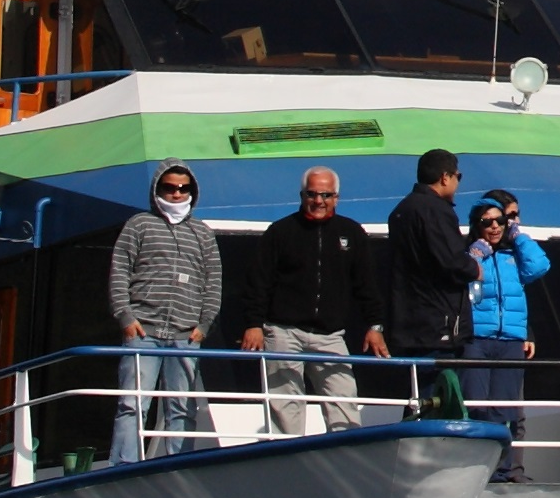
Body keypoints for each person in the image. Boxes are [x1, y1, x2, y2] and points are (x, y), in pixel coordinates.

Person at [238, 167, 387, 435]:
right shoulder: (280, 231)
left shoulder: (352, 233)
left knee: (344, 400)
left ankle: (342, 456)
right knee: (286, 407)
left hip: (330, 336)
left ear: (336, 198)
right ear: (302, 195)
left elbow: (367, 285)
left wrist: (375, 325)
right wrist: (253, 324)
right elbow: (258, 283)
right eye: (312, 194)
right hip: (283, 332)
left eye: (326, 195)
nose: (319, 201)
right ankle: (287, 457)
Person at [106, 159, 223, 463]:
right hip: (142, 331)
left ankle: (177, 468)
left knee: (182, 408)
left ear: (192, 191)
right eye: (169, 188)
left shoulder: (203, 233)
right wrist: (126, 317)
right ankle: (124, 466)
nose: (176, 194)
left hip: (186, 336)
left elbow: (213, 284)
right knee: (132, 404)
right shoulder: (139, 225)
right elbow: (119, 272)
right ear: (157, 189)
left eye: (183, 188)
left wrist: (203, 326)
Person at [463, 191, 546, 482]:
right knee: (476, 407)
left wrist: (518, 236)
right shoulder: (468, 254)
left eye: (500, 221)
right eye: (487, 222)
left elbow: (539, 266)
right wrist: (472, 258)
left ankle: (501, 471)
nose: (495, 226)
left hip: (510, 339)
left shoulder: (514, 255)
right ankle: (475, 470)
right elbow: (455, 279)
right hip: (477, 339)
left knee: (504, 410)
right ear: (477, 225)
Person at [385, 148, 478, 403]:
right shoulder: (436, 210)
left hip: (409, 322)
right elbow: (451, 260)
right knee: (438, 398)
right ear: (445, 177)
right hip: (437, 324)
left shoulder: (401, 210)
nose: (458, 183)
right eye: (458, 176)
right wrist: (474, 268)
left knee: (418, 396)